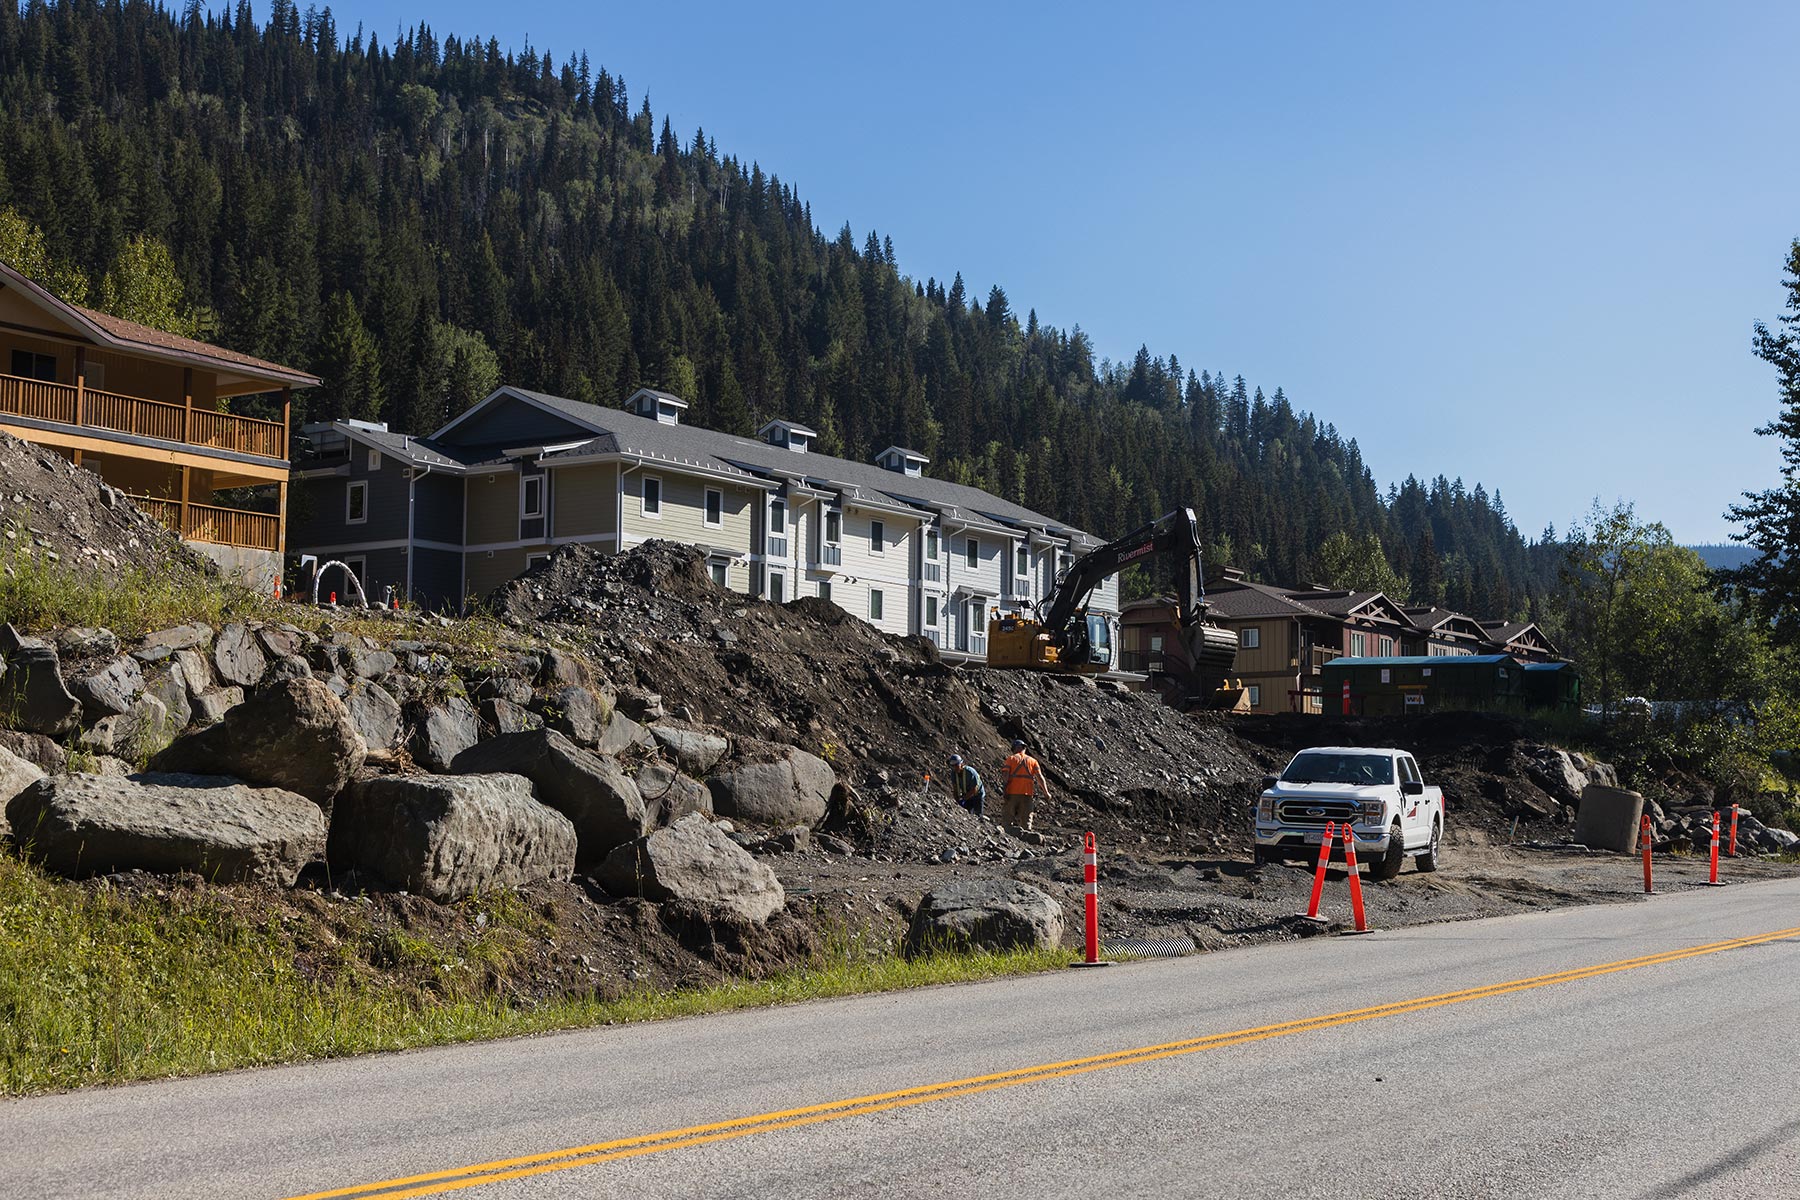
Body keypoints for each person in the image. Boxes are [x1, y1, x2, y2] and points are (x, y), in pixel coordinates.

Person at [1000, 738, 1051, 831]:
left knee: (1007, 821)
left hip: (1012, 794)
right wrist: (1046, 792)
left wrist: (1004, 790)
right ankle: (1026, 838)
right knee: (1026, 823)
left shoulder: (1011, 759)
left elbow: (1005, 775)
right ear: (1024, 748)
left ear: (1015, 748)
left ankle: (1006, 837)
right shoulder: (1033, 761)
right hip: (1027, 795)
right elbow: (1040, 777)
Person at [947, 753, 985, 818]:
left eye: (956, 765)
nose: (955, 768)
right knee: (967, 814)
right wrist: (957, 801)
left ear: (961, 764)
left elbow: (974, 789)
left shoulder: (970, 772)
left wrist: (964, 798)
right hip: (967, 794)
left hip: (977, 795)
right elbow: (955, 789)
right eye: (952, 766)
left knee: (978, 815)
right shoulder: (953, 774)